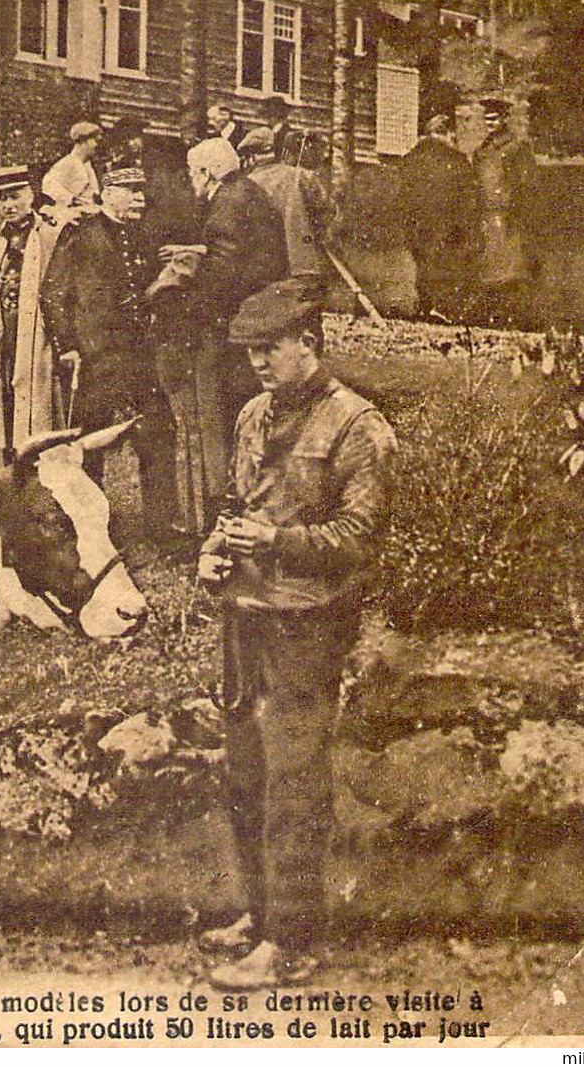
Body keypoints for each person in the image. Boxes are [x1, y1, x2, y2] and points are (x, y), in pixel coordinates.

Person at [196, 280, 396, 991]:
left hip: (306, 622)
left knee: (293, 781)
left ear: (307, 344)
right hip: (244, 614)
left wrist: (276, 540)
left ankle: (292, 941)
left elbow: (358, 537)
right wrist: (216, 547)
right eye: (249, 350)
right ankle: (259, 915)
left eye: (268, 348)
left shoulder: (356, 426)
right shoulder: (253, 413)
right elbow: (237, 500)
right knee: (244, 774)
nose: (256, 362)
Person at [39, 165, 179, 540]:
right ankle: (87, 522)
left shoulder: (140, 235)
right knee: (90, 442)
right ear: (109, 193)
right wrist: (66, 346)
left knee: (158, 430)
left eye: (142, 191)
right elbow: (53, 293)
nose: (141, 199)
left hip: (137, 354)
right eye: (132, 191)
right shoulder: (81, 234)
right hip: (96, 355)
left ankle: (161, 526)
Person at [159, 136, 287, 527]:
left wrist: (186, 310)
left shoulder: (223, 207)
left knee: (221, 420)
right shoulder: (247, 192)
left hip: (232, 332)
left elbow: (223, 276)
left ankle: (222, 510)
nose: (191, 182)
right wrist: (200, 252)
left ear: (206, 173)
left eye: (193, 173)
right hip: (259, 322)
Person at [0, 165, 64, 461]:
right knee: (7, 413)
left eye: (15, 197)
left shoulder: (51, 235)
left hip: (40, 343)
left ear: (31, 195)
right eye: (2, 199)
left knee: (40, 416)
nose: (9, 206)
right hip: (4, 344)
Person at [397, 113, 478, 322]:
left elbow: (402, 196)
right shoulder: (457, 161)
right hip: (447, 225)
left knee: (423, 263)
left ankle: (425, 305)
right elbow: (468, 198)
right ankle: (442, 307)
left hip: (417, 224)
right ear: (447, 132)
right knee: (445, 264)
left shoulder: (411, 159)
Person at [242, 127, 333, 298]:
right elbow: (328, 210)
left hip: (265, 264)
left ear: (249, 158)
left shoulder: (248, 183)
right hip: (304, 262)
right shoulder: (302, 176)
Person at [471, 97, 537, 328]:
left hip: (509, 217)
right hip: (486, 216)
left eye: (495, 118)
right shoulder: (482, 150)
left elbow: (527, 185)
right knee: (489, 269)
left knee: (511, 270)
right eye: (486, 119)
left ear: (505, 119)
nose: (490, 123)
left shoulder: (517, 147)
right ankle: (491, 317)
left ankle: (514, 318)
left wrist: (516, 211)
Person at [42, 121, 103, 215]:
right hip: (71, 216)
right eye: (94, 140)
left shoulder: (88, 165)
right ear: (84, 141)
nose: (96, 145)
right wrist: (71, 199)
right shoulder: (67, 162)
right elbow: (48, 184)